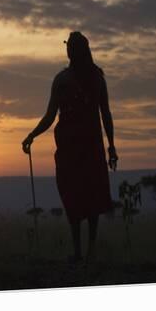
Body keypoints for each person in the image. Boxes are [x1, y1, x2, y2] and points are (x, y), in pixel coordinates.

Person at [22, 31, 118, 263]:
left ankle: (85, 252)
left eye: (71, 47)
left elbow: (104, 114)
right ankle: (83, 251)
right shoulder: (76, 79)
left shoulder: (84, 79)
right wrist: (33, 134)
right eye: (69, 46)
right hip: (73, 147)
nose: (68, 50)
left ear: (76, 51)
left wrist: (111, 147)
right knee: (77, 196)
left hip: (83, 147)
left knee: (85, 197)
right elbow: (52, 115)